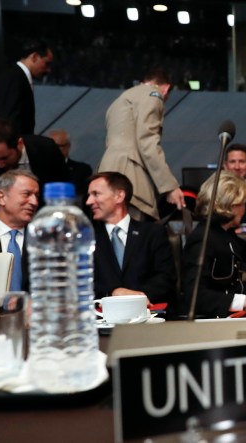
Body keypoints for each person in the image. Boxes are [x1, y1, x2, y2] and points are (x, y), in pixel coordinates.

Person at [99, 67, 185, 221]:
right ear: (166, 89)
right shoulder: (153, 94)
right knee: (133, 239)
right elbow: (147, 141)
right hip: (130, 177)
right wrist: (169, 186)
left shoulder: (118, 101)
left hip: (106, 176)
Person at [87, 172, 177, 306]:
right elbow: (80, 282)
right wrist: (113, 292)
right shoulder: (86, 239)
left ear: (119, 196)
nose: (89, 201)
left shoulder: (152, 233)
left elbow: (165, 277)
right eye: (89, 195)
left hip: (148, 317)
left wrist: (136, 297)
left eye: (96, 194)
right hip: (102, 319)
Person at [180, 171, 246, 319]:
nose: (244, 209)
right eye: (241, 204)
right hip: (209, 322)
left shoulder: (225, 233)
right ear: (229, 206)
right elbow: (195, 294)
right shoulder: (202, 238)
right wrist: (238, 301)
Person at [0, 117, 68, 214]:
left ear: (20, 144)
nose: (0, 165)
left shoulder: (46, 149)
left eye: (4, 158)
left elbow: (62, 189)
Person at [0, 39, 53, 135]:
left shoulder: (16, 77)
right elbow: (9, 122)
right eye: (47, 63)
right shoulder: (14, 78)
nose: (49, 70)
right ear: (35, 57)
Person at [0, 170, 39, 291]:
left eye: (36, 196)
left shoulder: (44, 239)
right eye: (26, 194)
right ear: (1, 197)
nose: (34, 202)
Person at [48, 128, 93, 203]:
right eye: (50, 146)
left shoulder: (82, 170)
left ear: (67, 147)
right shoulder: (37, 169)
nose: (54, 149)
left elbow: (84, 197)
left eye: (59, 146)